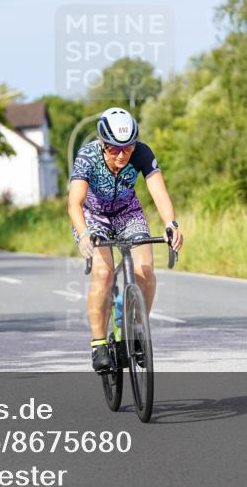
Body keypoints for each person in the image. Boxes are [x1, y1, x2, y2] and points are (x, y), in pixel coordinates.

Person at [67, 107, 184, 373]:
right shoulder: (87, 156)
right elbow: (74, 203)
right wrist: (84, 234)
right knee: (103, 273)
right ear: (102, 143)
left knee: (146, 271)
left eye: (127, 148)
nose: (121, 155)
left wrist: (171, 224)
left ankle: (137, 330)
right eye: (114, 149)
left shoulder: (142, 153)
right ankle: (98, 344)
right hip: (93, 216)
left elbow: (159, 192)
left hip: (127, 213)